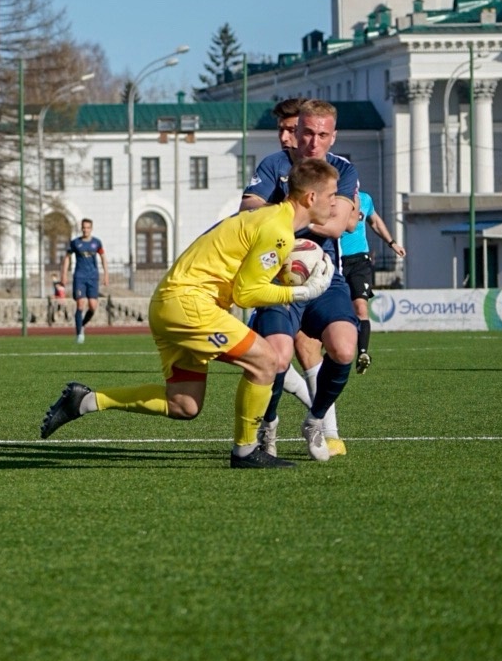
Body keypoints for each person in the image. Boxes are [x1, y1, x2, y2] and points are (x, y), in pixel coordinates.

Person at [40, 158, 341, 468]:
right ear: (311, 197)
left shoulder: (270, 220)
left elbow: (244, 283)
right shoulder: (278, 231)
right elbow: (246, 294)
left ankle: (85, 401)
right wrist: (302, 292)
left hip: (172, 304)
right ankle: (246, 452)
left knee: (184, 404)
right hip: (190, 304)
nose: (335, 203)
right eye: (332, 195)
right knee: (267, 360)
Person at [240, 99, 361, 462]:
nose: (312, 141)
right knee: (278, 357)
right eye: (306, 132)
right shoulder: (274, 165)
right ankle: (269, 424)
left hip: (324, 276)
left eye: (322, 134)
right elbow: (247, 210)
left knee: (343, 348)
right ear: (298, 130)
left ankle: (316, 419)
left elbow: (339, 225)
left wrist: (283, 216)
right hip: (277, 279)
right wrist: (310, 216)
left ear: (332, 137)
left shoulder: (343, 170)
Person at [339, 188, 404, 371]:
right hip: (336, 262)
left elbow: (375, 222)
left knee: (361, 307)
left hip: (361, 261)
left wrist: (392, 243)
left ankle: (362, 354)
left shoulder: (365, 199)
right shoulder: (332, 201)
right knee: (336, 309)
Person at [61, 218, 108, 343]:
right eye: (84, 227)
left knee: (93, 306)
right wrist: (64, 275)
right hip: (79, 277)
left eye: (88, 227)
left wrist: (106, 274)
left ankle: (81, 324)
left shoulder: (97, 243)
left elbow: (103, 257)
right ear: (81, 228)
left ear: (91, 229)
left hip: (93, 277)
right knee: (80, 303)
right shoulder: (75, 243)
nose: (85, 230)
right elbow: (67, 258)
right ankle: (79, 334)